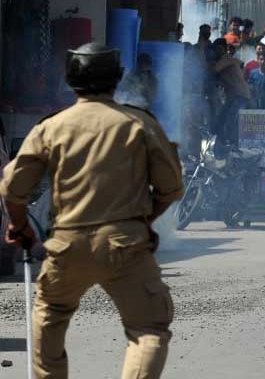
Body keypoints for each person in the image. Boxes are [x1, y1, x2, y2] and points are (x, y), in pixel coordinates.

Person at [0, 43, 183, 378]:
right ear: (117, 78)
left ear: (71, 79)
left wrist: (21, 226)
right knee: (148, 330)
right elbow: (171, 188)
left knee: (49, 318)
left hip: (67, 246)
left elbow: (13, 189)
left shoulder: (51, 127)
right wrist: (143, 220)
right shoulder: (139, 124)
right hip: (126, 244)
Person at [212, 38, 251, 145]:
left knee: (230, 122)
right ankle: (223, 145)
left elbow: (213, 71)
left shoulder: (225, 58)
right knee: (222, 119)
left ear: (224, 49)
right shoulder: (230, 59)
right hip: (234, 95)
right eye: (216, 49)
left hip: (239, 95)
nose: (217, 51)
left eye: (219, 49)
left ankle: (231, 146)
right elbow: (241, 64)